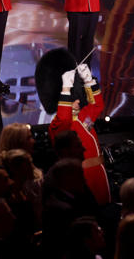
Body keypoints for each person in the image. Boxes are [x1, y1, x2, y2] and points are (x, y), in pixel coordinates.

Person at [48, 63, 110, 204]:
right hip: (80, 177)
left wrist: (88, 80)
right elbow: (63, 118)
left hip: (99, 174)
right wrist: (65, 89)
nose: (77, 101)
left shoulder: (83, 118)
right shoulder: (57, 126)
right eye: (72, 99)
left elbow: (97, 106)